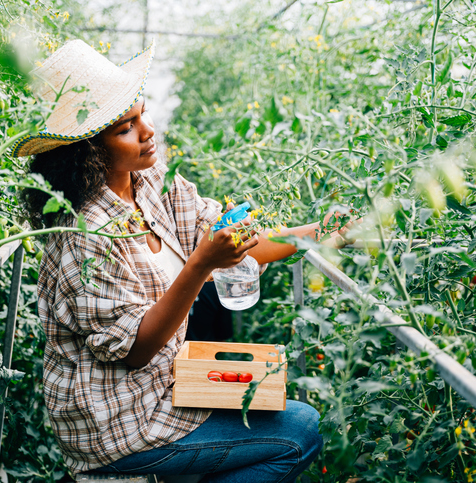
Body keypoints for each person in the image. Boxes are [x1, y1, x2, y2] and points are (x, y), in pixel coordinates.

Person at [18, 39, 350, 482]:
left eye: (143, 113)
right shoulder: (86, 234)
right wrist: (200, 265)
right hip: (118, 424)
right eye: (126, 128)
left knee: (277, 400)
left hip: (163, 388)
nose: (148, 131)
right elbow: (137, 350)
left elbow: (239, 237)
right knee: (300, 431)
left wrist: (327, 233)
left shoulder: (148, 183)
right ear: (87, 151)